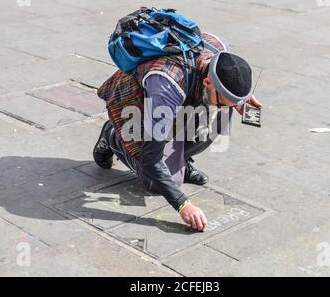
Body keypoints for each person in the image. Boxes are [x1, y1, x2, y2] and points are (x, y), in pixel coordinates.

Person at [94, 32, 261, 231]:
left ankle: (179, 159)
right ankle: (112, 136)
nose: (228, 106)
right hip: (134, 106)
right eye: (224, 101)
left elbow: (231, 79)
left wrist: (239, 100)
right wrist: (183, 204)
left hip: (180, 99)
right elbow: (151, 158)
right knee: (158, 181)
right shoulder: (165, 87)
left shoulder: (219, 52)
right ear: (208, 83)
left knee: (221, 118)